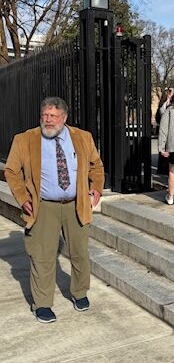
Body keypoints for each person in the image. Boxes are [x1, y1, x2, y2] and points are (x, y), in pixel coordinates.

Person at [4, 97, 104, 323]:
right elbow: (11, 170)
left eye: (53, 116)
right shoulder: (25, 139)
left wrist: (96, 188)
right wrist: (22, 197)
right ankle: (42, 304)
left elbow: (96, 166)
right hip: (43, 207)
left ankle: (79, 292)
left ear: (64, 118)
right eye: (44, 115)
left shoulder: (82, 137)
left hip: (76, 204)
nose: (47, 120)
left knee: (79, 253)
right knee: (42, 257)